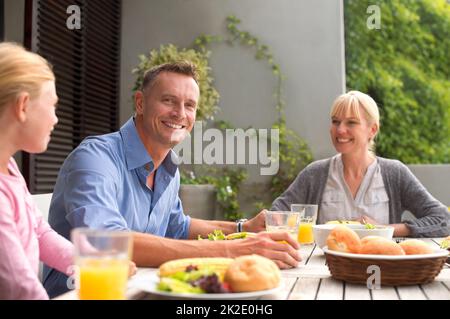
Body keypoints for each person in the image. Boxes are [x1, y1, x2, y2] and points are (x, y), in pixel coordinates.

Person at [44, 61, 300, 297]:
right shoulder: (95, 158)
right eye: (168, 100)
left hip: (142, 290)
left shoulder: (168, 168)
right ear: (141, 103)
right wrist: (233, 250)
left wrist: (243, 229)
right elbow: (107, 242)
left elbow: (179, 227)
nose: (180, 113)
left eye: (189, 105)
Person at [271, 90, 449, 237]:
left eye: (351, 122)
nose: (340, 130)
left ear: (372, 130)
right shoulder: (315, 174)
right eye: (335, 121)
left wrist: (384, 230)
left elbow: (443, 220)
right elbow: (277, 214)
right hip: (322, 271)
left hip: (382, 268)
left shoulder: (395, 173)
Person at [0, 42, 74, 299]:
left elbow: (39, 232)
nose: (55, 118)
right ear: (23, 106)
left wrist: (90, 263)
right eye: (52, 105)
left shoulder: (9, 167)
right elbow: (20, 289)